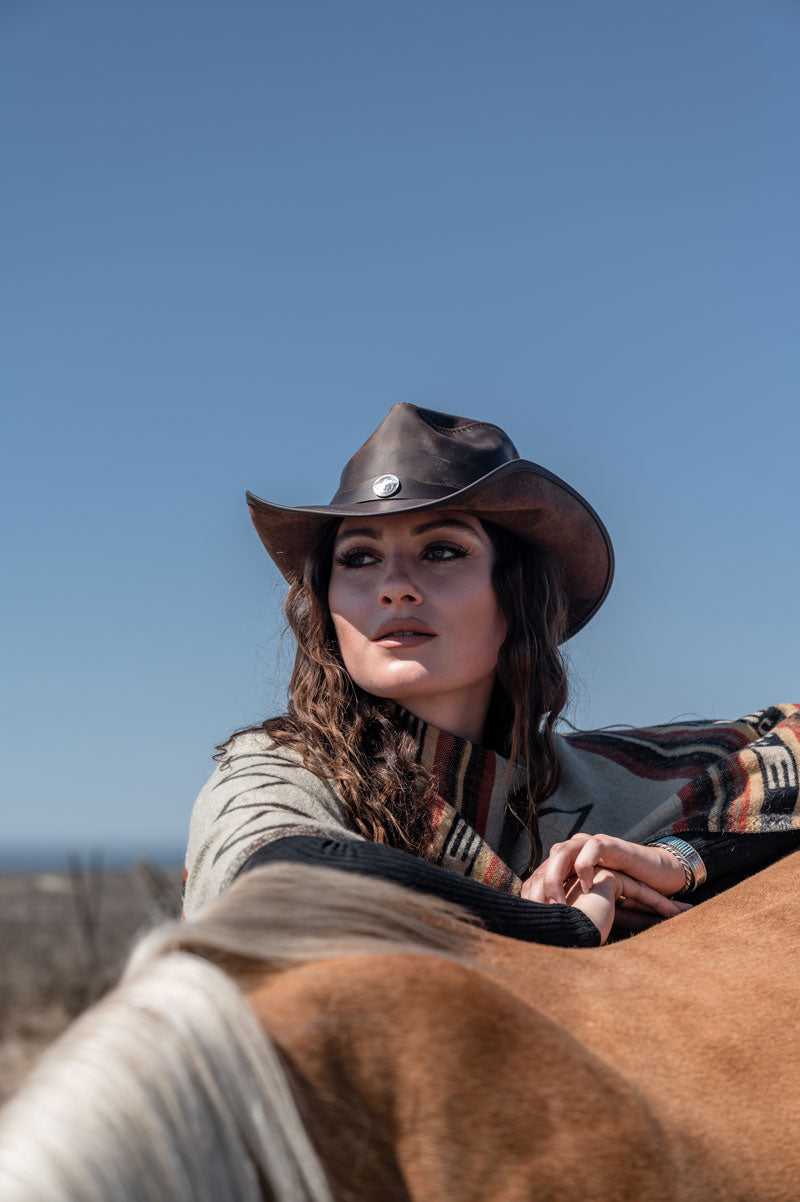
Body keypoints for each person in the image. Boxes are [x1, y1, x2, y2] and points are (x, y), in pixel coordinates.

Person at [184, 404, 800, 945]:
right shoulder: (278, 769)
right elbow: (281, 879)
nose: (395, 587)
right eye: (360, 557)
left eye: (442, 551)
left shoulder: (601, 782)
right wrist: (561, 928)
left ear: (517, 595)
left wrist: (680, 859)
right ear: (328, 602)